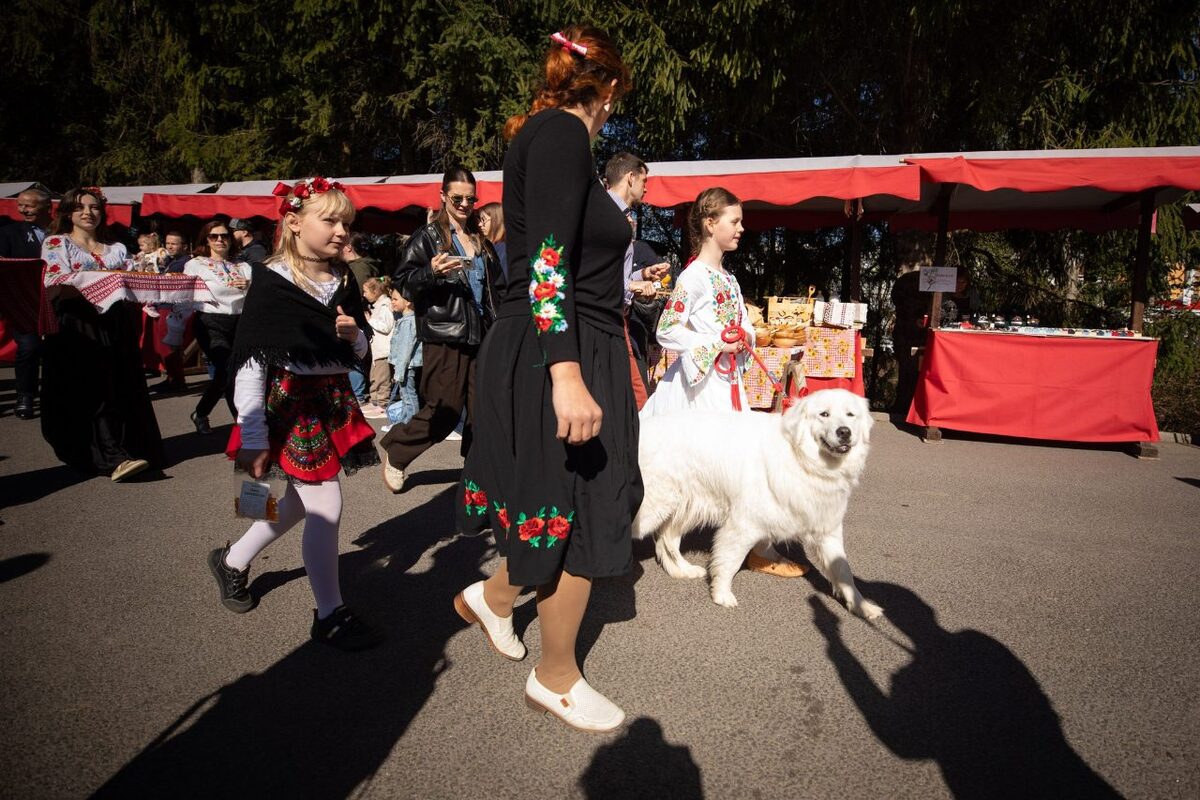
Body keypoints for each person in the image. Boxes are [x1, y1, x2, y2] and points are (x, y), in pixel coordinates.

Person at [452, 26, 639, 732]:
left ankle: (493, 600)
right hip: (563, 347)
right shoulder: (563, 134)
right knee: (586, 506)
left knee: (559, 499)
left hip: (560, 339)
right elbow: (548, 263)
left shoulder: (547, 134)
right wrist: (567, 372)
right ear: (612, 86)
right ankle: (556, 678)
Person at [208, 176, 382, 651]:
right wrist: (253, 433)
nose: (341, 231)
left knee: (302, 503)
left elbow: (359, 347)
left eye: (346, 222)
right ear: (292, 221)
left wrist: (354, 337)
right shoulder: (273, 281)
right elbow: (250, 361)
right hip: (288, 404)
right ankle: (330, 613)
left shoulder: (342, 280)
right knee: (325, 504)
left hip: (330, 399)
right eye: (329, 220)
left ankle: (232, 561)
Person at [640, 187, 806, 578]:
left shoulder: (726, 278)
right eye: (735, 221)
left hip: (726, 384)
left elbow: (743, 324)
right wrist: (715, 342)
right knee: (692, 474)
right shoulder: (694, 277)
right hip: (700, 391)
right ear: (710, 224)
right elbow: (667, 330)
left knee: (734, 469)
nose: (742, 228)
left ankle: (752, 546)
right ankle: (670, 547)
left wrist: (744, 335)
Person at [380, 164, 502, 492]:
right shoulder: (428, 237)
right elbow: (403, 283)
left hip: (483, 337)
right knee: (444, 410)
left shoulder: (481, 239)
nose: (464, 205)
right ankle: (398, 451)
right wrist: (431, 272)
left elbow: (497, 288)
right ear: (443, 197)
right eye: (457, 198)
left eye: (470, 199)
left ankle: (477, 478)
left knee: (483, 413)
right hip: (445, 336)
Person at [39, 187, 164, 481]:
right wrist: (108, 281)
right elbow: (57, 282)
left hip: (115, 321)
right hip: (77, 323)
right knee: (91, 387)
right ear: (68, 213)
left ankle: (123, 448)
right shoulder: (57, 243)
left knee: (118, 385)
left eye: (94, 207)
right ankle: (110, 456)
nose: (88, 212)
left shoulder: (116, 248)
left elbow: (133, 280)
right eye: (80, 207)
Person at [604, 151, 670, 409]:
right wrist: (631, 285)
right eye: (644, 182)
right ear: (630, 178)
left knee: (629, 394)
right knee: (635, 396)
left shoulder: (620, 216)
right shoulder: (607, 215)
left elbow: (614, 271)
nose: (646, 189)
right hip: (605, 316)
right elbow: (595, 273)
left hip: (618, 317)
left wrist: (642, 275)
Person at [183, 220, 252, 435]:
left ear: (232, 240)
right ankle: (240, 423)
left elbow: (255, 298)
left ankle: (205, 413)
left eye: (224, 236)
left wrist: (249, 286)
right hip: (210, 321)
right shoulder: (196, 264)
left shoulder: (243, 266)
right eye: (214, 236)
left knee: (237, 372)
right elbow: (185, 293)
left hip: (239, 322)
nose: (220, 240)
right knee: (226, 369)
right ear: (207, 240)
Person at [0, 186, 52, 419]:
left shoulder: (61, 231)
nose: (23, 210)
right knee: (29, 347)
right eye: (20, 205)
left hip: (56, 299)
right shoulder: (8, 233)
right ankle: (25, 396)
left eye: (29, 205)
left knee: (58, 350)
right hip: (24, 302)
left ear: (47, 207)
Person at [890, 266, 928, 418]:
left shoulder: (905, 282)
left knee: (906, 374)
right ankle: (907, 407)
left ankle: (903, 406)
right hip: (909, 333)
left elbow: (897, 302)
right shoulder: (910, 284)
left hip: (906, 333)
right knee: (910, 374)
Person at [386, 284, 422, 426]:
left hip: (407, 366)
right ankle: (405, 423)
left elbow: (405, 349)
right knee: (406, 395)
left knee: (408, 397)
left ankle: (412, 425)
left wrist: (398, 372)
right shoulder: (407, 320)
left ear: (407, 302)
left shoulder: (408, 322)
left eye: (395, 299)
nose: (392, 302)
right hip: (406, 366)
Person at [360, 276, 394, 418]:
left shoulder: (385, 306)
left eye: (365, 291)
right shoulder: (377, 306)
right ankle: (375, 402)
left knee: (382, 379)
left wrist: (370, 320)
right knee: (374, 376)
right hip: (377, 350)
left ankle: (383, 404)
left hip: (383, 350)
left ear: (375, 292)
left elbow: (386, 326)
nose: (364, 295)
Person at [478, 202, 507, 276]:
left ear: (496, 220)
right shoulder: (489, 246)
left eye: (483, 220)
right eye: (479, 220)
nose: (480, 224)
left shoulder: (503, 250)